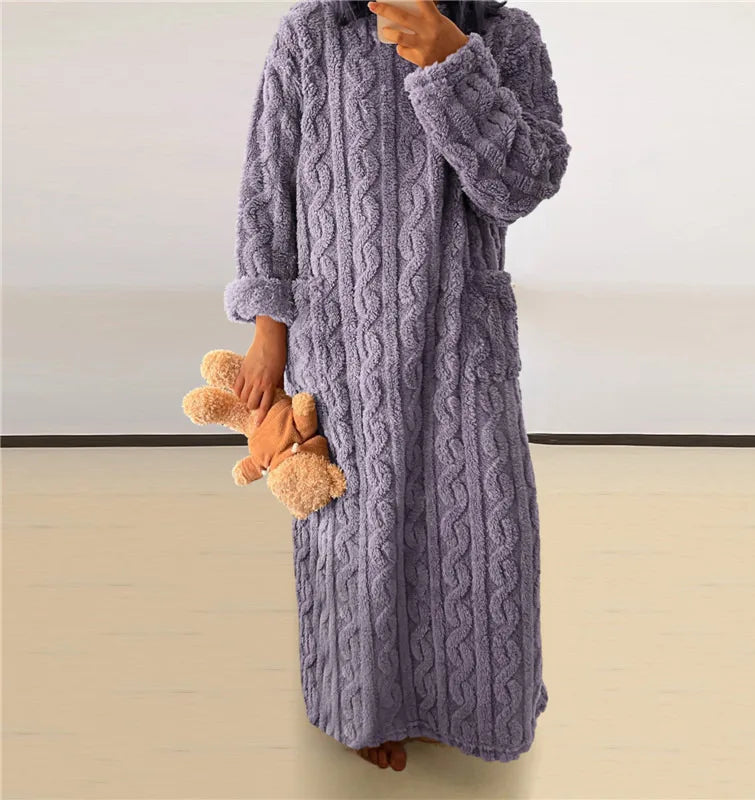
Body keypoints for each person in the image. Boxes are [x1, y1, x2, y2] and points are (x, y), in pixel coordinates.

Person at [224, 0, 571, 771]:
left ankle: (470, 703)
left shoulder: (504, 35)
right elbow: (267, 183)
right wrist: (268, 330)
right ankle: (363, 705)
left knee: (478, 525)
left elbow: (524, 183)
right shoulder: (312, 32)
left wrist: (450, 61)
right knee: (355, 531)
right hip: (340, 337)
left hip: (459, 335)